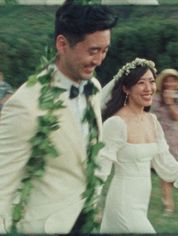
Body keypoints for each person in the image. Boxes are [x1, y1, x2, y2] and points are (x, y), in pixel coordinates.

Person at [0, 2, 117, 234]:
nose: (100, 60)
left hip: (87, 222)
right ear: (62, 44)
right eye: (93, 51)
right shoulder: (25, 105)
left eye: (105, 50)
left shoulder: (93, 86)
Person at [96, 58, 178, 234]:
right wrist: (88, 208)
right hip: (123, 205)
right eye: (141, 83)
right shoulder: (116, 124)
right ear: (126, 88)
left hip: (141, 204)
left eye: (152, 82)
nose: (149, 88)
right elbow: (100, 170)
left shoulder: (152, 121)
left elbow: (167, 165)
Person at [151, 68, 178, 215]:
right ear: (164, 82)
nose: (170, 82)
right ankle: (168, 205)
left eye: (173, 80)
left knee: (176, 173)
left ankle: (166, 197)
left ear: (176, 83)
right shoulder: (155, 98)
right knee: (164, 172)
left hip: (174, 141)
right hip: (158, 139)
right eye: (167, 80)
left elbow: (176, 117)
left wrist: (170, 102)